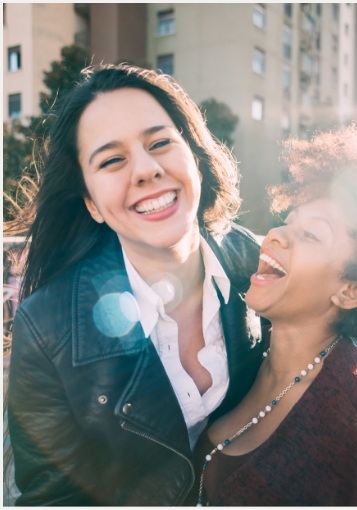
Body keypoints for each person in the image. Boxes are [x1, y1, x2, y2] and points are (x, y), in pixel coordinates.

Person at [6, 63, 266, 506]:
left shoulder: (262, 264)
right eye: (111, 160)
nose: (146, 170)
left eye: (161, 142)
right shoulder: (46, 326)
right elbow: (53, 497)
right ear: (91, 203)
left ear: (196, 157)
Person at [192, 124, 357, 506]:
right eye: (290, 221)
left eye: (312, 235)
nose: (277, 235)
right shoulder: (236, 348)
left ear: (351, 290)